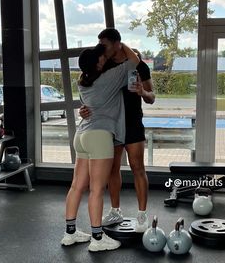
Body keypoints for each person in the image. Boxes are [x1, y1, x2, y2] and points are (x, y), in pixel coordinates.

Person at [61, 42, 139, 252]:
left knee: (77, 186)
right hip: (99, 136)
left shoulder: (82, 82)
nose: (104, 57)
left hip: (82, 135)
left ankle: (70, 233)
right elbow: (135, 61)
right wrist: (120, 44)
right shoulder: (109, 78)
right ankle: (97, 238)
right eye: (101, 57)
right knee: (96, 189)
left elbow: (88, 105)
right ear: (96, 64)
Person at [79, 28, 155, 232]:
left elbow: (152, 98)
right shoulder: (103, 65)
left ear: (117, 44)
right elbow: (91, 93)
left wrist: (142, 92)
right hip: (111, 125)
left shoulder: (139, 66)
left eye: (104, 44)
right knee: (113, 169)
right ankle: (115, 210)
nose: (101, 48)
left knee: (137, 167)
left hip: (132, 122)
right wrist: (84, 109)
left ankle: (142, 215)